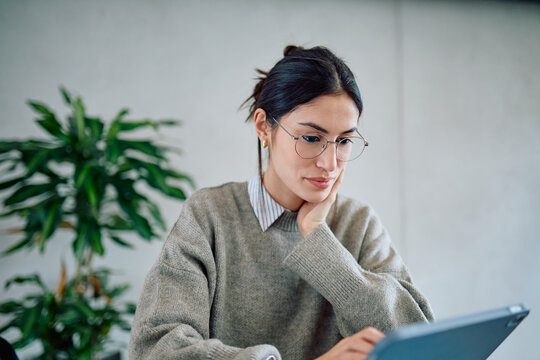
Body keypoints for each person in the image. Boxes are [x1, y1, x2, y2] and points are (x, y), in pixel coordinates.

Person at [129, 45, 434, 360]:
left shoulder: (358, 223)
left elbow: (419, 344)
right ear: (264, 126)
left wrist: (318, 238)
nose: (330, 163)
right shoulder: (210, 216)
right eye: (312, 138)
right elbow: (156, 350)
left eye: (343, 141)